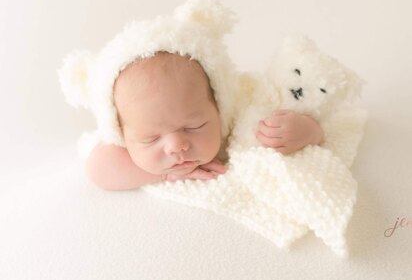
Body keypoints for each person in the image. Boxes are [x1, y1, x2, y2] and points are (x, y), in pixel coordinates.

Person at [85, 51, 324, 190]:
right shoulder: (123, 137)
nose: (176, 147)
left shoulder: (243, 120)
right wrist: (164, 175)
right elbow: (99, 168)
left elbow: (326, 125)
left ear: (220, 107)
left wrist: (307, 131)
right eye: (151, 139)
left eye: (193, 127)